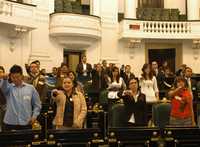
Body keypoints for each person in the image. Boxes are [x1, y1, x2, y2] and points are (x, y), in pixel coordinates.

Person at [0, 65, 41, 131]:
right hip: (10, 123)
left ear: (22, 76)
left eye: (17, 77)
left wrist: (34, 116)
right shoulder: (9, 88)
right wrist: (4, 79)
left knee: (26, 141)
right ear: (10, 77)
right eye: (13, 77)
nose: (15, 79)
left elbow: (37, 105)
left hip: (26, 123)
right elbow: (3, 88)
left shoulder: (30, 88)